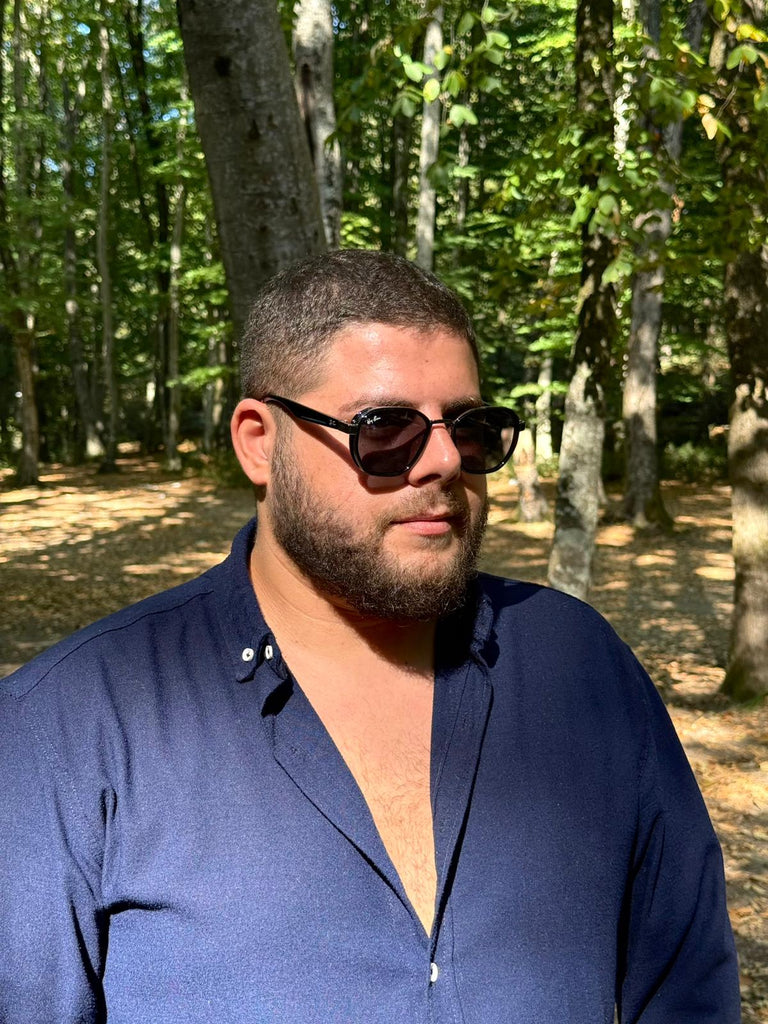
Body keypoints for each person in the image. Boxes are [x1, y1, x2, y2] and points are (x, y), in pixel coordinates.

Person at [0, 250, 740, 1023]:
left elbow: (691, 995)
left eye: (471, 429)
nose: (446, 462)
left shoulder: (580, 668)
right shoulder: (68, 728)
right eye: (385, 430)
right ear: (259, 442)